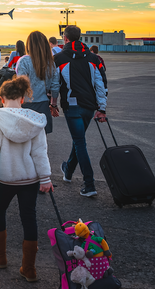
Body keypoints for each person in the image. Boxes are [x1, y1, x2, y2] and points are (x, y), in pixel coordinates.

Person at [0, 75, 53, 283]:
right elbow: (40, 152)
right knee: (28, 217)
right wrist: (45, 178)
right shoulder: (35, 120)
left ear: (2, 99)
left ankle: (0, 256)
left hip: (5, 177)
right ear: (22, 99)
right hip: (29, 178)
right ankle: (29, 268)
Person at [55, 25, 108, 198]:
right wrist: (101, 108)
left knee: (79, 143)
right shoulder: (94, 58)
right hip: (89, 107)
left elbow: (55, 84)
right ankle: (68, 171)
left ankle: (89, 184)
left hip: (72, 107)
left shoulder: (59, 58)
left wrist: (52, 103)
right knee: (78, 141)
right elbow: (101, 84)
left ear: (66, 38)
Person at [16, 31, 60, 134]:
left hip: (26, 105)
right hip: (43, 105)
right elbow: (55, 86)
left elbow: (20, 86)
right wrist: (53, 104)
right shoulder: (50, 62)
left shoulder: (23, 61)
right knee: (41, 144)